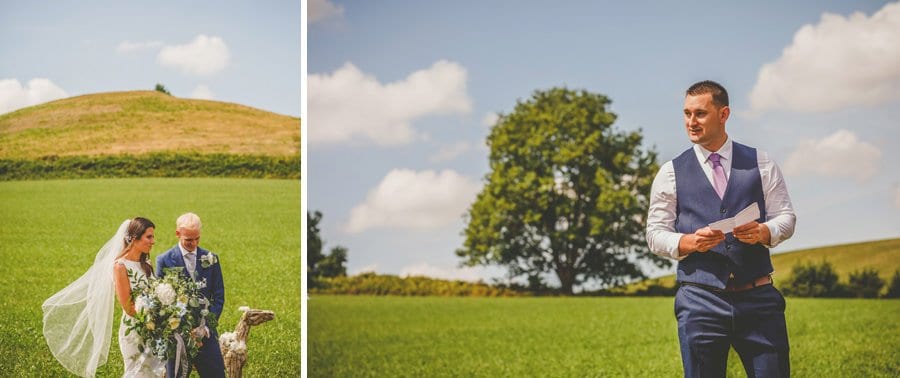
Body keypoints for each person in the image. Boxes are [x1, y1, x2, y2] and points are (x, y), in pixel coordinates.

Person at [646, 80, 797, 377]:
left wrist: (764, 232)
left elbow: (786, 217)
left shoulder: (762, 163)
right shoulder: (670, 173)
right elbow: (655, 233)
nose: (691, 122)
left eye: (700, 114)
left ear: (724, 114)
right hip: (700, 301)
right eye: (687, 113)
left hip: (758, 299)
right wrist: (688, 242)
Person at [43, 217, 166, 377]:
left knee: (157, 373)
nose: (153, 241)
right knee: (138, 373)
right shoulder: (120, 266)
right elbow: (128, 307)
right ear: (135, 238)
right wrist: (152, 319)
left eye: (153, 236)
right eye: (149, 237)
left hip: (154, 329)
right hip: (135, 330)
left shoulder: (146, 264)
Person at [156, 213, 226, 378]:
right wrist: (179, 329)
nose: (193, 244)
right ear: (177, 234)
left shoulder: (211, 259)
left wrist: (205, 327)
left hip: (205, 334)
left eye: (197, 239)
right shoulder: (164, 260)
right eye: (188, 240)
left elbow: (218, 296)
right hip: (177, 338)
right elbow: (160, 301)